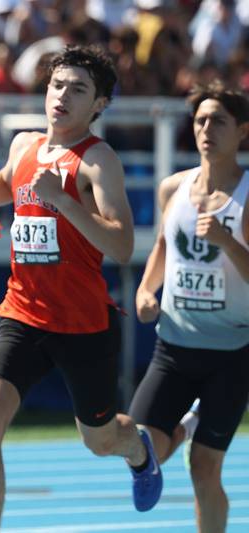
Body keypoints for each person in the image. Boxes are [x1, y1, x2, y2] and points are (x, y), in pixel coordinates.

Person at [0, 44, 162, 532]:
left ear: (99, 105)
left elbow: (121, 245)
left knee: (99, 440)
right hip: (23, 315)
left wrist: (64, 203)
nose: (63, 96)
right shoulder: (24, 147)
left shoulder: (98, 161)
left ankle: (137, 448)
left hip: (82, 324)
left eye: (78, 90)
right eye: (58, 85)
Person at [129, 80, 249, 533]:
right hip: (173, 347)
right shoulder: (173, 188)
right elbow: (163, 245)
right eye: (200, 120)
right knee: (143, 451)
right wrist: (146, 289)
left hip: (232, 353)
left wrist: (227, 241)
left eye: (218, 120)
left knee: (204, 470)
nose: (206, 128)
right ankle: (184, 427)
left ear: (242, 131)